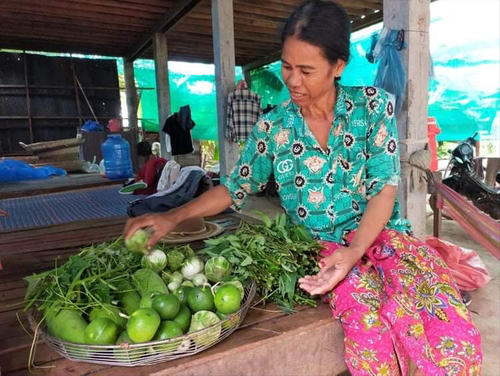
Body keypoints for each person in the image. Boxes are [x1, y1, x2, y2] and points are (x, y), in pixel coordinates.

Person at [124, 1, 482, 375]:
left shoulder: (372, 108)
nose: (293, 80)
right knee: (369, 328)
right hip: (323, 248)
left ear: (338, 66)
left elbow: (383, 190)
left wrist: (356, 249)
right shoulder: (273, 127)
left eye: (306, 70)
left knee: (441, 314)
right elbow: (234, 188)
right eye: (287, 66)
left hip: (383, 234)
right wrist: (172, 216)